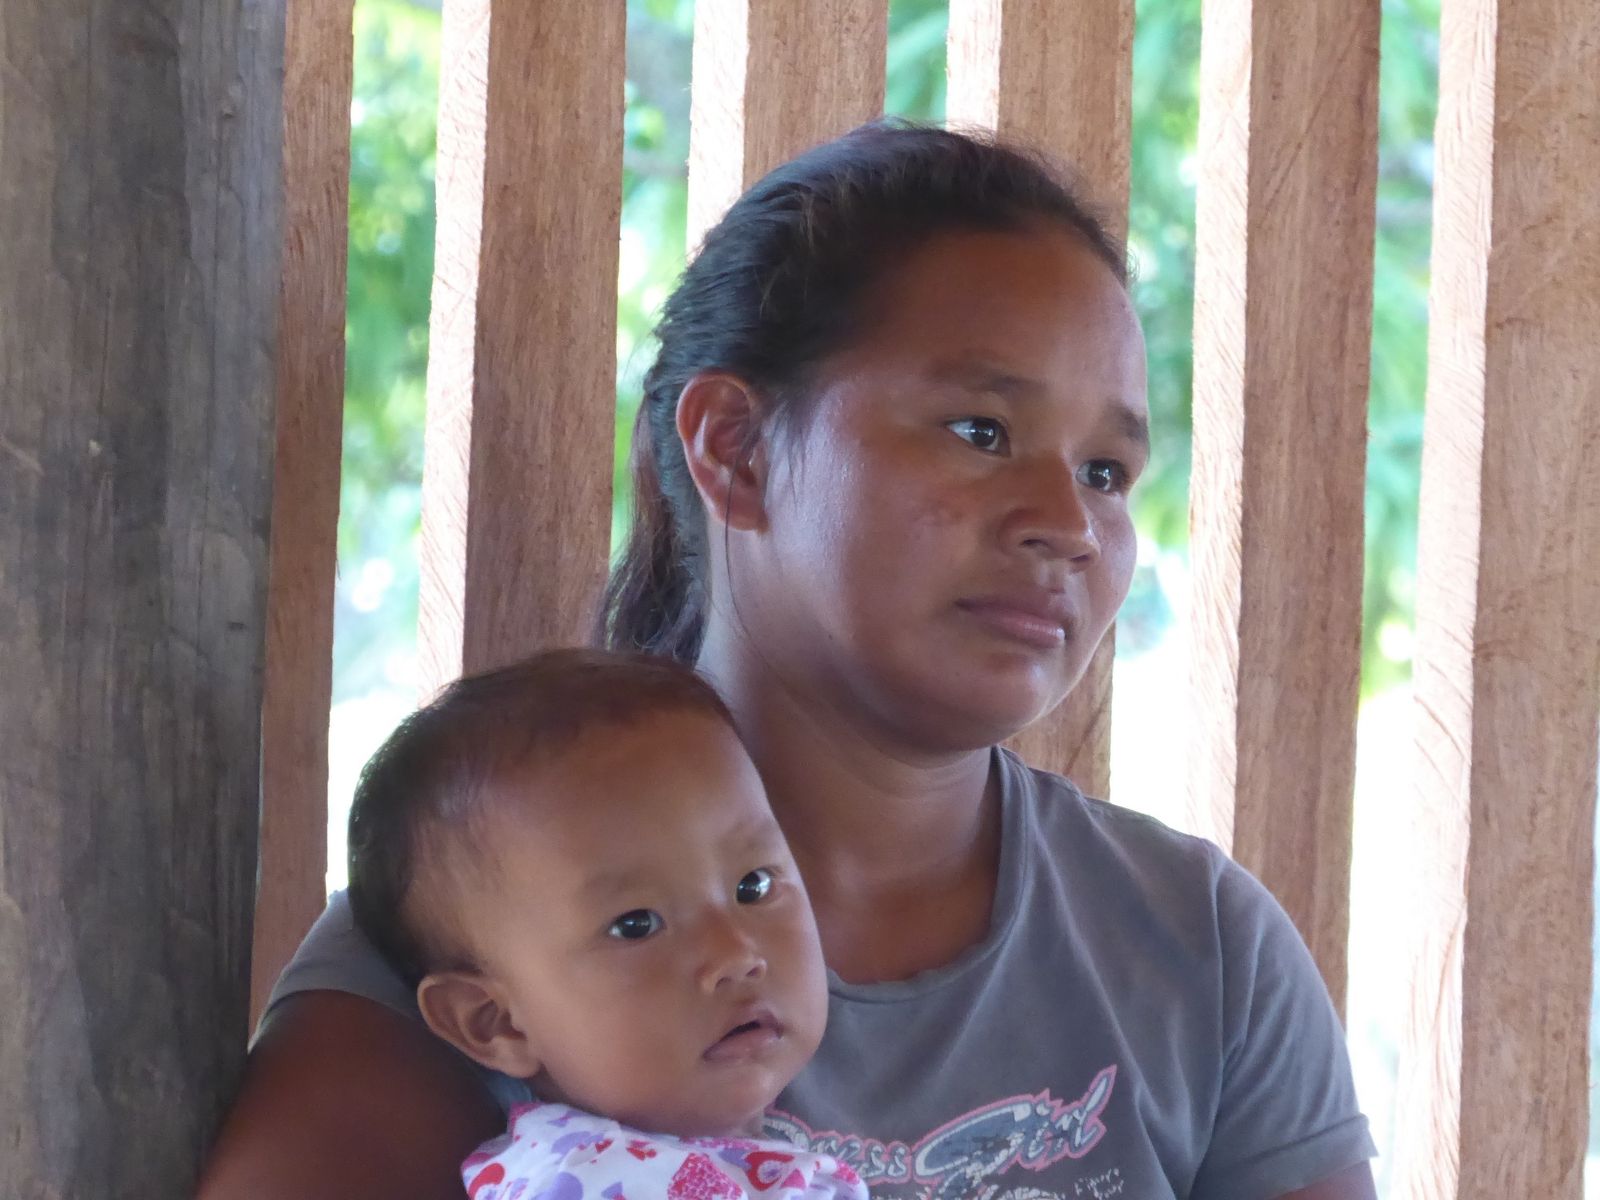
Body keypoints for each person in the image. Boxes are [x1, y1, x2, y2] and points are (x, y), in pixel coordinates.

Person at [199, 121, 1378, 1200]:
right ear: (736, 450)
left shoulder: (1193, 944)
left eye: (1105, 473)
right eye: (982, 432)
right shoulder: (477, 922)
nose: (1067, 524)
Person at [342, 649, 866, 1200]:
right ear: (497, 1023)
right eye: (637, 925)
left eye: (753, 886)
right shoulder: (591, 1182)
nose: (736, 953)